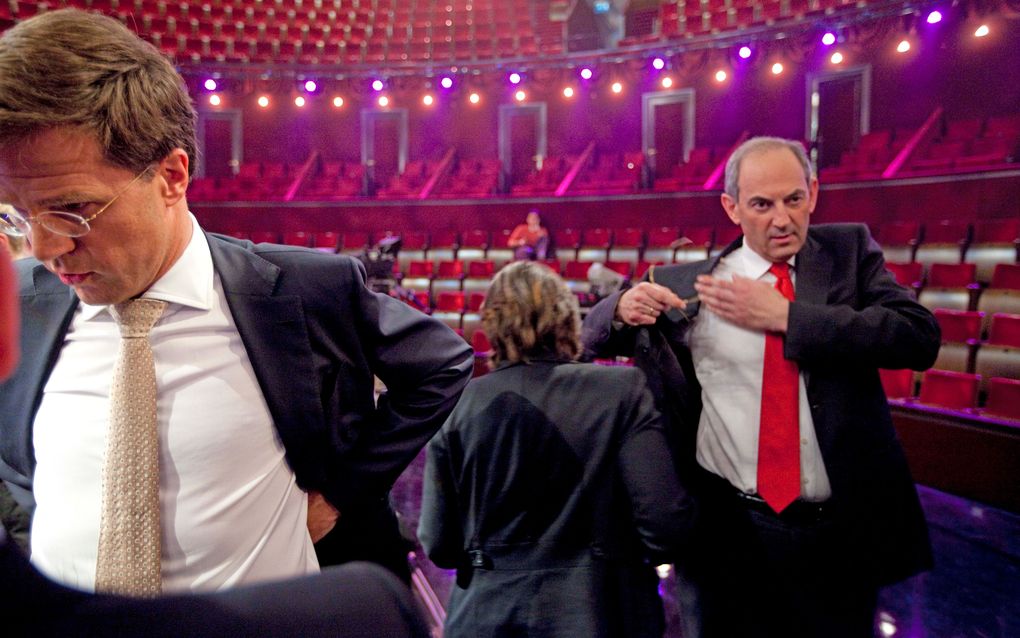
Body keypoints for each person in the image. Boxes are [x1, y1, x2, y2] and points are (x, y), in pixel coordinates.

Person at [0, 9, 472, 596]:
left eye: (71, 210)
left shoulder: (303, 291)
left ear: (172, 175)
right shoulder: (17, 300)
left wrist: (343, 491)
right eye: (16, 215)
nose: (44, 247)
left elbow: (442, 364)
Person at [583, 136, 940, 637]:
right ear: (731, 207)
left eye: (794, 199)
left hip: (837, 540)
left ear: (813, 193)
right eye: (761, 204)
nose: (781, 219)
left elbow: (918, 337)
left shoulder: (849, 254)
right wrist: (617, 308)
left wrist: (789, 317)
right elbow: (589, 336)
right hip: (726, 534)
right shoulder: (689, 284)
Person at [418, 261, 696, 637]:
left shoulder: (459, 406)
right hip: (601, 613)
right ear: (567, 317)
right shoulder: (620, 390)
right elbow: (664, 526)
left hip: (486, 617)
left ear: (491, 323)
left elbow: (439, 544)